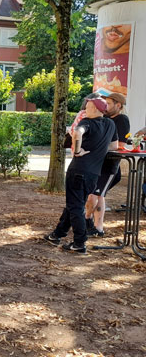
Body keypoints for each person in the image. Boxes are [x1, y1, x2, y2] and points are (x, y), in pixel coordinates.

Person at [44, 97, 118, 254]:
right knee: (74, 204)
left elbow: (77, 132)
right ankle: (57, 234)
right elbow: (114, 145)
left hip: (78, 170)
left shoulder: (86, 122)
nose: (86, 109)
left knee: (76, 206)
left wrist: (77, 151)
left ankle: (79, 242)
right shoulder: (110, 124)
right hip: (94, 174)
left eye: (89, 106)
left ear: (97, 109)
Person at [84, 92, 130, 238]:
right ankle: (96, 226)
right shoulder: (104, 118)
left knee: (95, 196)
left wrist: (98, 147)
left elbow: (119, 145)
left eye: (109, 104)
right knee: (96, 195)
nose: (106, 106)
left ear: (118, 105)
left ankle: (91, 223)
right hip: (96, 163)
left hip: (109, 166)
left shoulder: (122, 120)